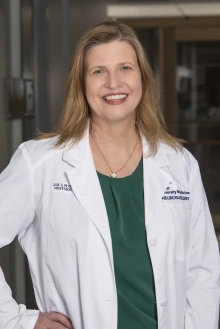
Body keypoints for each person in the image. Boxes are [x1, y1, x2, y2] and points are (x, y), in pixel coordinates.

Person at [0, 21, 219, 329]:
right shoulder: (40, 162)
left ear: (142, 78)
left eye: (125, 68)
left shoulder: (180, 165)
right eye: (98, 71)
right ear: (81, 83)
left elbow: (203, 270)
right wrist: (17, 320)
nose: (114, 83)